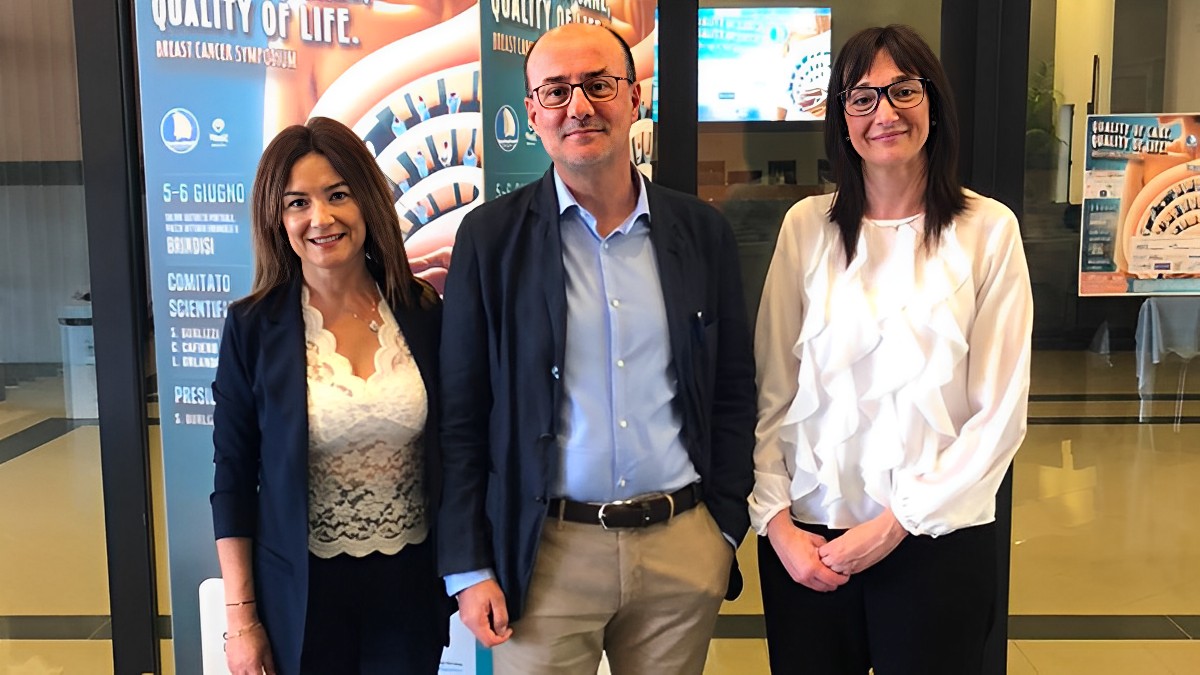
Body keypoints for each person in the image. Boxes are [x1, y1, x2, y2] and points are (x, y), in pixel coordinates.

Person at [437, 23, 757, 675]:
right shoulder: (490, 240)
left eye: (598, 85)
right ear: (532, 113)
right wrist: (469, 566)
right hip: (542, 555)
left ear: (635, 97)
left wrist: (721, 530)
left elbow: (732, 390)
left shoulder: (701, 232)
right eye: (555, 91)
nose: (578, 106)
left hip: (680, 550)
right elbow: (461, 416)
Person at [751, 24, 1033, 674]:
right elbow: (772, 392)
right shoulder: (806, 228)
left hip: (936, 538)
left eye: (903, 90)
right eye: (862, 97)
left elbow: (999, 414)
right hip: (808, 545)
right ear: (841, 118)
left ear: (933, 103)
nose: (885, 113)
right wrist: (776, 523)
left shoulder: (989, 231)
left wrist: (894, 524)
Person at [210, 117, 451, 675]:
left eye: (338, 195)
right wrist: (242, 621)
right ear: (277, 219)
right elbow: (233, 480)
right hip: (302, 597)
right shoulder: (252, 328)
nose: (321, 218)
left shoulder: (421, 310)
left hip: (410, 588)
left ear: (366, 201)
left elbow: (458, 445)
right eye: (298, 203)